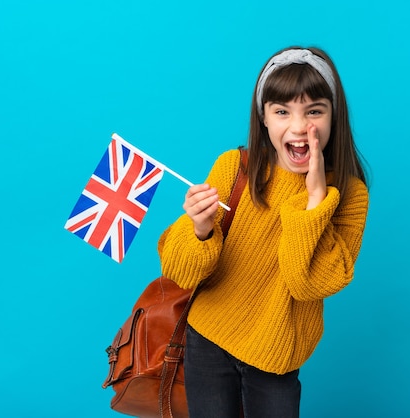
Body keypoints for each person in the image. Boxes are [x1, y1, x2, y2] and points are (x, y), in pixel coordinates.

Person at [158, 46, 369, 418]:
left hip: (277, 356)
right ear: (264, 118)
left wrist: (316, 200)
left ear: (334, 117)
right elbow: (179, 270)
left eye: (314, 111)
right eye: (282, 111)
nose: (299, 126)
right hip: (208, 339)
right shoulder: (234, 167)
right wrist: (200, 230)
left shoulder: (350, 194)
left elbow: (309, 284)